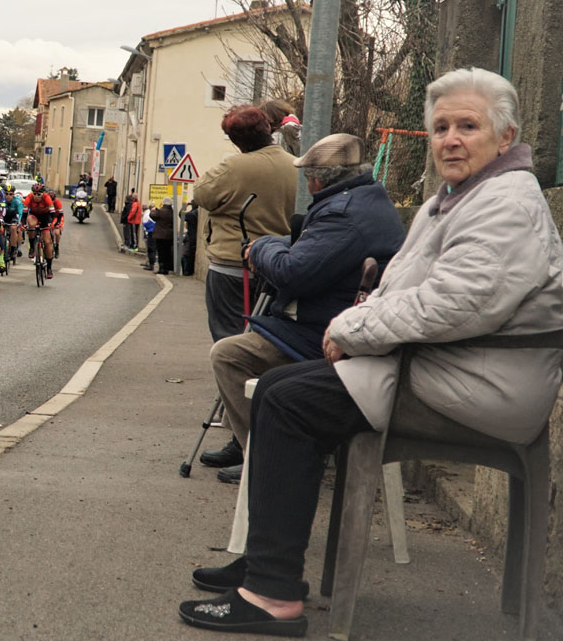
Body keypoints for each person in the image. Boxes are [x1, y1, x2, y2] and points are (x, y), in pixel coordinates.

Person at [179, 67, 563, 637]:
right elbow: (407, 291)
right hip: (449, 368)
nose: (450, 139)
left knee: (286, 400)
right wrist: (358, 326)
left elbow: (453, 304)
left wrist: (353, 330)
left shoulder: (504, 203)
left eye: (467, 126)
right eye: (439, 128)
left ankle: (271, 592)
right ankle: (266, 566)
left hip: (475, 386)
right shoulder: (465, 195)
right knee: (285, 391)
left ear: (505, 138)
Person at [199, 133, 406, 484]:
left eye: (307, 176)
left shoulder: (342, 214)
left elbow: (292, 273)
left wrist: (262, 247)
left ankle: (266, 458)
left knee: (229, 354)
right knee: (244, 345)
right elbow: (311, 247)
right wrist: (279, 244)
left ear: (316, 178)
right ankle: (266, 450)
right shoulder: (364, 199)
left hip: (327, 333)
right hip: (340, 322)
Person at [192, 105, 296, 342]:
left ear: (234, 140)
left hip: (232, 265)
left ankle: (235, 378)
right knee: (268, 340)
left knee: (228, 339)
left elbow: (201, 195)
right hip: (277, 265)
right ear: (268, 128)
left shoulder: (232, 168)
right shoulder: (296, 166)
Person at [22, 182, 63, 278]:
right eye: (34, 194)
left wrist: (52, 224)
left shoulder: (46, 198)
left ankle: (49, 268)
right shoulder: (29, 197)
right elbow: (24, 214)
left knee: (47, 241)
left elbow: (54, 214)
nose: (36, 196)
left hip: (46, 217)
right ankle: (32, 247)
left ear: (43, 194)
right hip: (34, 216)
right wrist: (23, 224)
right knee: (31, 225)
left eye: (38, 194)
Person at [151, 200, 174, 275]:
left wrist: (153, 210)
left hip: (160, 235)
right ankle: (166, 269)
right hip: (169, 235)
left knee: (161, 252)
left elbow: (152, 216)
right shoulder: (172, 212)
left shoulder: (160, 211)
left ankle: (161, 268)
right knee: (167, 252)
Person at [181, 201, 198, 276]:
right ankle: (188, 271)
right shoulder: (196, 212)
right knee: (189, 255)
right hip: (194, 236)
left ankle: (186, 271)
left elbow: (181, 215)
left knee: (186, 255)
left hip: (191, 237)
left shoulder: (192, 214)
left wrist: (184, 207)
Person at [141, 202, 156, 270]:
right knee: (149, 249)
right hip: (150, 233)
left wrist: (145, 225)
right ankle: (148, 262)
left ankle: (150, 264)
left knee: (150, 249)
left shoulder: (147, 214)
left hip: (150, 233)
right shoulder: (148, 214)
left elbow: (147, 224)